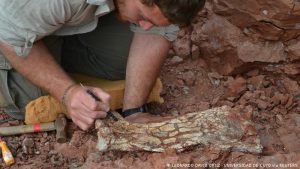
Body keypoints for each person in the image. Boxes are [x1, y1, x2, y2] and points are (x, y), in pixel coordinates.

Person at [0, 0, 206, 130]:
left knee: (126, 65)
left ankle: (49, 44)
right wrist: (66, 92)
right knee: (32, 99)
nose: (144, 25)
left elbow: (157, 30)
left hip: (56, 19)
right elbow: (7, 34)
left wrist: (134, 111)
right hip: (7, 24)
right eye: (142, 16)